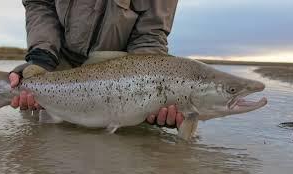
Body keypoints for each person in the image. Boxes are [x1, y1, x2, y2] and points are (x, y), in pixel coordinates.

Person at [10, 0, 184, 128]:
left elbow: (149, 36)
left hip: (118, 77)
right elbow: (40, 3)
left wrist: (152, 95)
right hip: (57, 64)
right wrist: (41, 57)